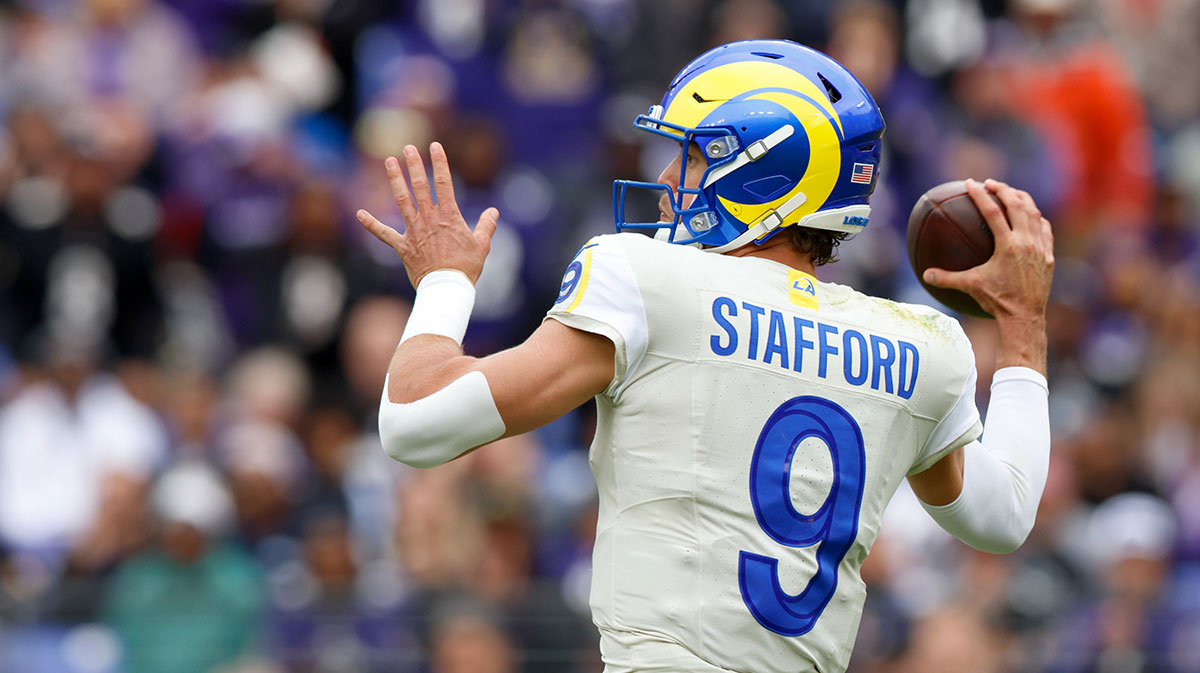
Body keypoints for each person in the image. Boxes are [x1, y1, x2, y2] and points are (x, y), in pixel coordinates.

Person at [356, 40, 1053, 673]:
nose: (667, 173)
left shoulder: (650, 281)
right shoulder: (922, 345)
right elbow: (1003, 516)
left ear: (770, 172)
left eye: (694, 153)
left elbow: (414, 421)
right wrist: (1023, 326)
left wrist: (445, 280)